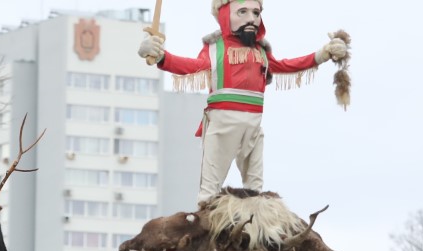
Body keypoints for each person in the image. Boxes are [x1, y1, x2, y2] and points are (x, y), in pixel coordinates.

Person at [137, 0, 348, 203]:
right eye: (242, 12)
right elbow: (190, 66)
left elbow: (287, 65)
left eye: (256, 13)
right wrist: (161, 56)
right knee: (209, 193)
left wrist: (324, 53)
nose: (252, 19)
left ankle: (254, 228)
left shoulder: (261, 51)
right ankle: (204, 230)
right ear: (225, 14)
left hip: (254, 127)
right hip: (222, 125)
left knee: (255, 191)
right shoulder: (214, 47)